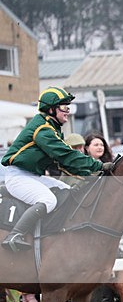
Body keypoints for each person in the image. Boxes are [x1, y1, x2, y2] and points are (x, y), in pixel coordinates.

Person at [0, 87, 111, 252]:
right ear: (51, 109)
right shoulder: (43, 129)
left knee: (68, 190)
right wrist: (98, 166)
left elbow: (64, 164)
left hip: (31, 176)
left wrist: (92, 174)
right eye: (64, 107)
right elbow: (66, 156)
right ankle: (15, 235)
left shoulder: (51, 128)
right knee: (48, 200)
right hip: (18, 177)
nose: (68, 111)